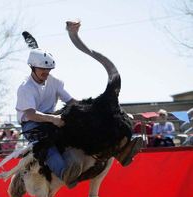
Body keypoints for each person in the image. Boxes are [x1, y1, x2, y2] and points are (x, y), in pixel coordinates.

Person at [15, 48, 143, 188]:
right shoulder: (25, 88)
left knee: (83, 124)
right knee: (47, 145)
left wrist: (89, 110)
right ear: (32, 67)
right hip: (32, 125)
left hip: (53, 118)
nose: (46, 72)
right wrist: (54, 120)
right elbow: (31, 114)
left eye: (48, 69)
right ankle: (65, 174)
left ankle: (120, 151)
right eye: (42, 69)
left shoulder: (54, 82)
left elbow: (71, 102)